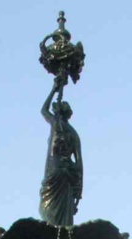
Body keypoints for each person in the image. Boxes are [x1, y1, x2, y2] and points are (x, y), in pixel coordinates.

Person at [39, 75, 83, 226]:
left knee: (48, 218)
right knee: (54, 219)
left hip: (57, 173)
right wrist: (78, 191)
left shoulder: (55, 123)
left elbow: (43, 110)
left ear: (59, 113)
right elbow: (79, 165)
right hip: (63, 175)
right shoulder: (73, 134)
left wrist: (54, 89)